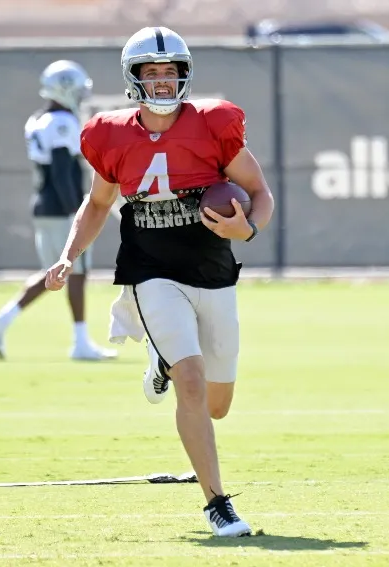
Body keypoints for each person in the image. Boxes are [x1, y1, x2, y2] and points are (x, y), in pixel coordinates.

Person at [45, 26, 274, 536]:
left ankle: (160, 358)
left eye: (170, 71)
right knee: (190, 382)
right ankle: (218, 504)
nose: (163, 82)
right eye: (152, 72)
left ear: (184, 74)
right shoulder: (110, 133)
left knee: (218, 404)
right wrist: (68, 255)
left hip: (213, 270)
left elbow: (260, 191)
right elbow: (99, 203)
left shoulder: (214, 123)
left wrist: (249, 227)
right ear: (133, 79)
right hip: (151, 269)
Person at [0, 60, 116, 361]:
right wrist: (75, 210)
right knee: (76, 271)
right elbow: (60, 168)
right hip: (60, 208)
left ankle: (3, 319)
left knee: (55, 272)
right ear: (66, 87)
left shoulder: (39, 118)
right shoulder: (61, 122)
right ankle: (81, 342)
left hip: (44, 205)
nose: (82, 96)